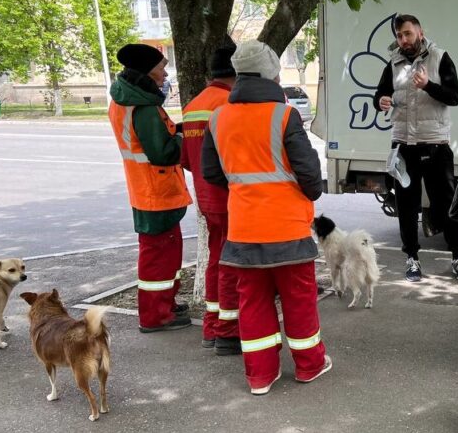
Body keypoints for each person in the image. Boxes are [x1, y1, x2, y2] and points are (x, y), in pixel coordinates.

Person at [201, 40, 330, 394]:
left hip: (243, 230)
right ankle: (309, 366)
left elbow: (212, 173)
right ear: (272, 74)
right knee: (299, 300)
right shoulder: (284, 115)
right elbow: (308, 173)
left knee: (253, 302)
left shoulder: (218, 117)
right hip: (287, 227)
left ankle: (260, 376)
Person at [373, 14, 458, 283]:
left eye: (407, 33)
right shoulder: (393, 63)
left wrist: (428, 85)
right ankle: (412, 259)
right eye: (399, 36)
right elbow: (380, 94)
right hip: (403, 145)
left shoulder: (440, 58)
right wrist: (381, 100)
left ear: (420, 32)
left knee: (446, 205)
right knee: (406, 206)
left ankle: (457, 257)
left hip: (435, 144)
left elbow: (455, 97)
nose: (403, 40)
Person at [108, 43, 192, 333]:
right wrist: (188, 141)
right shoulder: (144, 107)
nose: (165, 72)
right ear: (146, 71)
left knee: (165, 253)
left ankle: (165, 303)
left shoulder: (128, 101)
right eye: (160, 68)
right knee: (159, 258)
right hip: (157, 192)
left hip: (148, 190)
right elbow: (162, 152)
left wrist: (177, 129)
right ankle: (156, 316)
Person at [180, 37, 241, 356]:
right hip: (231, 198)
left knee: (216, 260)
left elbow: (188, 161)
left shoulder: (192, 106)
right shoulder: (228, 105)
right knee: (233, 263)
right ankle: (228, 330)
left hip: (207, 200)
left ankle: (212, 325)